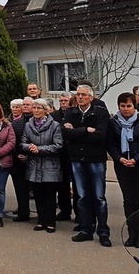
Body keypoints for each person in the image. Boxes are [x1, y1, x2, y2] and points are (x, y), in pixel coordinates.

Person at [63, 84, 111, 247]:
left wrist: (77, 132)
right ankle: (85, 229)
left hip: (96, 159)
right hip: (77, 159)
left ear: (91, 97)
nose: (80, 97)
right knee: (82, 197)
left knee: (99, 197)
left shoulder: (100, 113)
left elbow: (100, 136)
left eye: (83, 94)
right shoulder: (70, 112)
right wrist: (85, 130)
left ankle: (103, 232)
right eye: (78, 94)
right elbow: (66, 134)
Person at [21, 99, 63, 233]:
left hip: (49, 165)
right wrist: (30, 147)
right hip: (34, 165)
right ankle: (41, 220)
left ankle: (50, 222)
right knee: (38, 194)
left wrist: (40, 149)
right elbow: (23, 142)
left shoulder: (55, 125)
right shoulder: (28, 125)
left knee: (49, 195)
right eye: (34, 108)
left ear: (45, 110)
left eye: (39, 108)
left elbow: (58, 145)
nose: (36, 111)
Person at [106, 92, 139, 247]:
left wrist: (135, 159)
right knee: (128, 200)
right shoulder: (113, 122)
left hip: (137, 163)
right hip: (122, 164)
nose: (126, 109)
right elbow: (110, 144)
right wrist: (119, 158)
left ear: (134, 106)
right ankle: (132, 233)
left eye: (129, 106)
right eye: (123, 106)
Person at [51, 93, 73, 221]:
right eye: (61, 100)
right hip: (59, 153)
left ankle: (80, 213)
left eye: (65, 100)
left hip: (73, 153)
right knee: (62, 184)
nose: (63, 103)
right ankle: (65, 210)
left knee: (76, 183)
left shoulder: (74, 114)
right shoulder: (54, 116)